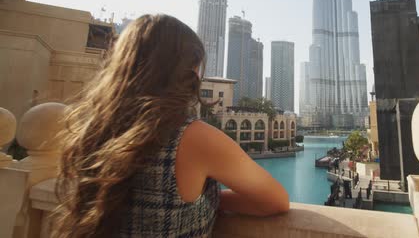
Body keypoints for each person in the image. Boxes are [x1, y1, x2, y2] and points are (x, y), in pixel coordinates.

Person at [53, 15, 289, 238]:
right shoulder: (193, 137)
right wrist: (214, 199)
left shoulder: (93, 130)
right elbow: (275, 201)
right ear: (186, 73)